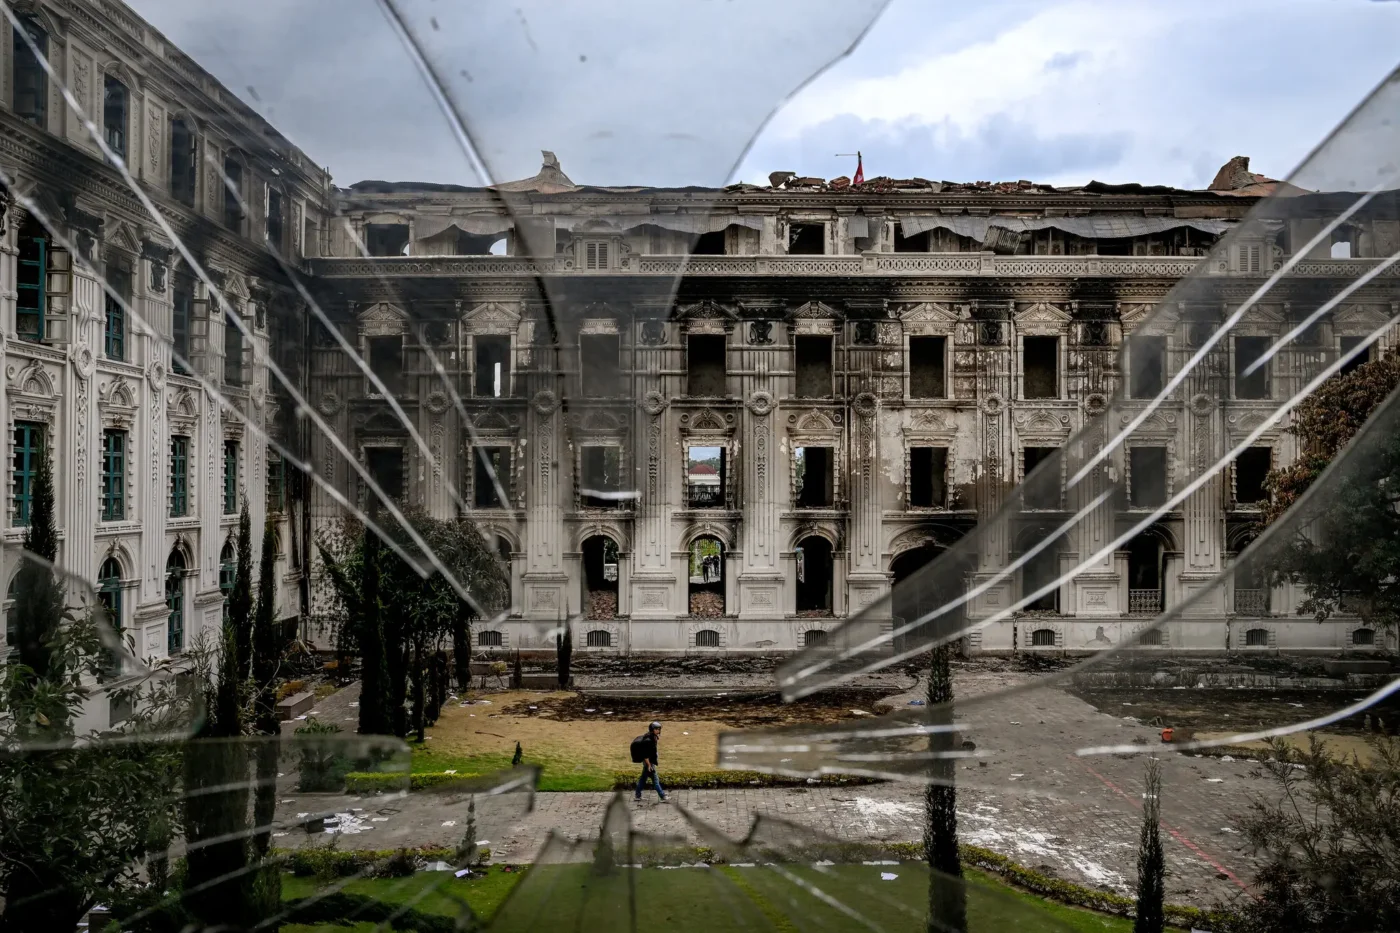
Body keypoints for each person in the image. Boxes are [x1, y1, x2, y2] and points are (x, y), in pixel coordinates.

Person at [634, 720, 666, 802]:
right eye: (657, 729)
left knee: (643, 779)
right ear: (652, 729)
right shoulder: (648, 741)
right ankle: (662, 796)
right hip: (649, 763)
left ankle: (637, 795)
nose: (658, 731)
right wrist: (649, 765)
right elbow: (645, 755)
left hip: (649, 762)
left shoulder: (652, 737)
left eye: (659, 729)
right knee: (655, 781)